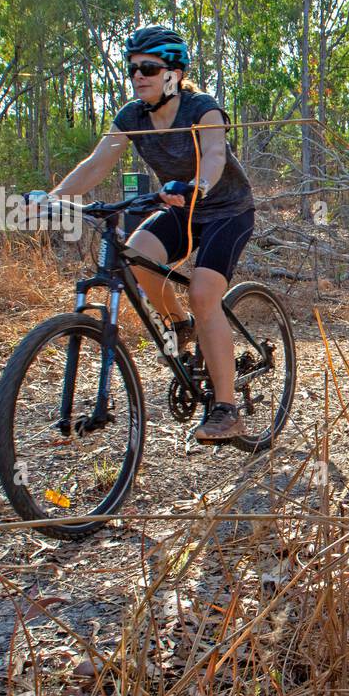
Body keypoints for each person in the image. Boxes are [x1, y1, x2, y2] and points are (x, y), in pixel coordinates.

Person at [43, 25, 256, 442]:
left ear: (173, 74)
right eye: (133, 69)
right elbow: (97, 162)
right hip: (178, 206)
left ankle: (228, 408)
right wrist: (51, 197)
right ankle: (180, 324)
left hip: (226, 209)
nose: (138, 76)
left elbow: (214, 152)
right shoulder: (132, 116)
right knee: (138, 255)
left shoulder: (202, 108)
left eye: (149, 68)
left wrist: (200, 185)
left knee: (203, 293)